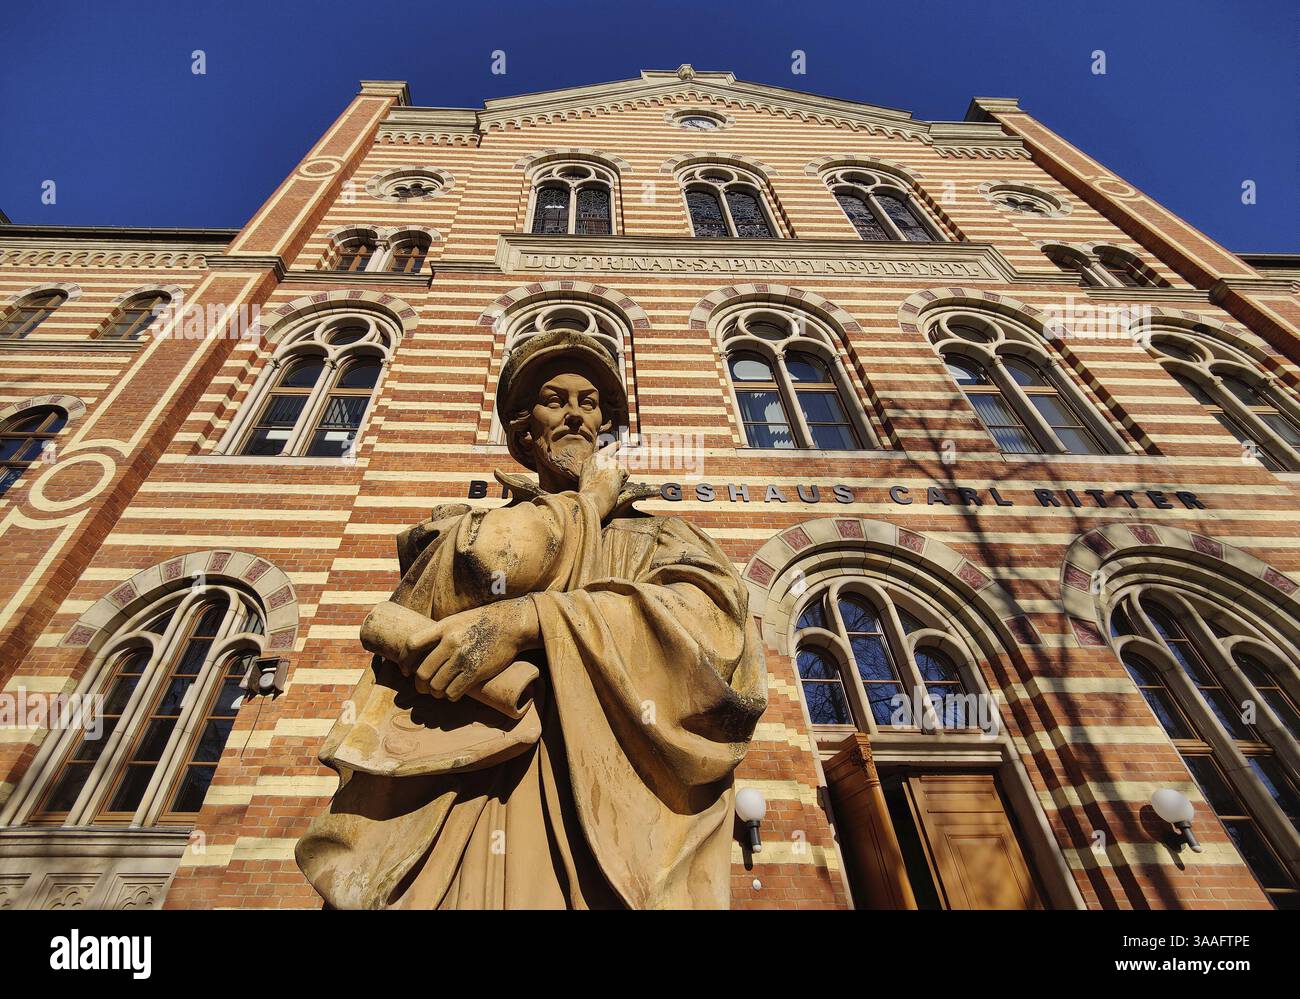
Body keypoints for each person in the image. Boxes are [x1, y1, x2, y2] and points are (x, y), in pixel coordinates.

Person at [296, 328, 767, 908]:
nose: (574, 415)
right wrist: (585, 507)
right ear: (524, 428)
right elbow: (493, 562)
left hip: (610, 811)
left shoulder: (663, 537)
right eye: (554, 400)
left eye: (588, 403)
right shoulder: (457, 529)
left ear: (605, 427)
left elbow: (714, 637)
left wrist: (530, 621)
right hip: (466, 801)